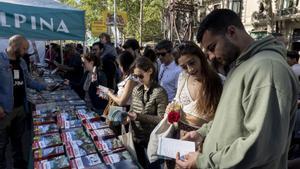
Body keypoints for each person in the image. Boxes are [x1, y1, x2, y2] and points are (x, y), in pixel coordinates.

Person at [176, 9, 299, 169]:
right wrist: (202, 133)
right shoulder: (240, 66)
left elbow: (261, 147)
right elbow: (229, 118)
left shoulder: (267, 69)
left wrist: (203, 162)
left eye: (212, 47)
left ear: (232, 32)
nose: (211, 56)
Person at [0, 35, 48, 168]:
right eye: (24, 48)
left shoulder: (21, 62)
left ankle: (19, 163)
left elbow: (28, 81)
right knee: (2, 144)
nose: (26, 51)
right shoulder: (1, 60)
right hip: (4, 110)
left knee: (18, 139)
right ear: (14, 46)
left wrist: (44, 86)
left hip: (20, 108)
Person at [127, 57, 168, 168]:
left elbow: (161, 120)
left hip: (151, 140)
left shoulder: (159, 92)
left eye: (141, 76)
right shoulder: (136, 89)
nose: (138, 79)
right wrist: (126, 118)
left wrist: (139, 117)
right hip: (136, 137)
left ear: (150, 71)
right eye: (135, 76)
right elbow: (132, 109)